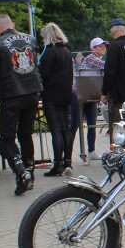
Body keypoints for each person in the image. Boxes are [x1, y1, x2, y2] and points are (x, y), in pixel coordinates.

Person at [0, 13, 42, 196]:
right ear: (13, 24)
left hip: (11, 95)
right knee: (26, 134)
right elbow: (35, 65)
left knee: (6, 138)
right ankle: (30, 173)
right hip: (32, 92)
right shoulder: (30, 39)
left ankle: (20, 170)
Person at [38, 23, 75, 177]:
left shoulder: (48, 53)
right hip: (65, 94)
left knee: (56, 131)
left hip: (51, 95)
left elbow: (44, 74)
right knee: (65, 129)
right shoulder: (66, 52)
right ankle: (67, 162)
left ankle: (58, 164)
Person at [76, 37, 107, 160]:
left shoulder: (97, 59)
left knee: (92, 124)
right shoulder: (92, 59)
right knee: (75, 125)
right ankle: (69, 153)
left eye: (104, 46)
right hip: (81, 95)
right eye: (100, 46)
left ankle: (91, 150)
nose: (103, 48)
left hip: (91, 95)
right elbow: (107, 66)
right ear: (93, 48)